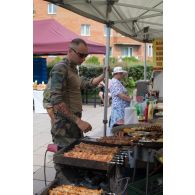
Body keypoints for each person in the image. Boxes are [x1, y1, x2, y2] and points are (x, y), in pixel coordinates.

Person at [43, 38, 107, 183]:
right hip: (64, 126)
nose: (84, 59)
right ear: (70, 51)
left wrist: (103, 75)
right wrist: (78, 121)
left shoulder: (73, 68)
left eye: (86, 56)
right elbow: (56, 101)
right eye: (81, 55)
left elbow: (85, 84)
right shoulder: (60, 68)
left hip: (72, 124)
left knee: (74, 164)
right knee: (65, 166)